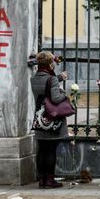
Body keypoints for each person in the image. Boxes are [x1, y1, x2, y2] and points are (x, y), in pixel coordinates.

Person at [30, 51, 69, 189]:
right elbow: (56, 98)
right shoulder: (51, 79)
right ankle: (50, 180)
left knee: (42, 149)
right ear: (50, 63)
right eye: (53, 60)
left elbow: (45, 85)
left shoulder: (34, 78)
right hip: (52, 118)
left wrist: (58, 78)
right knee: (51, 150)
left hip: (40, 117)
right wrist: (64, 93)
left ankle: (42, 180)